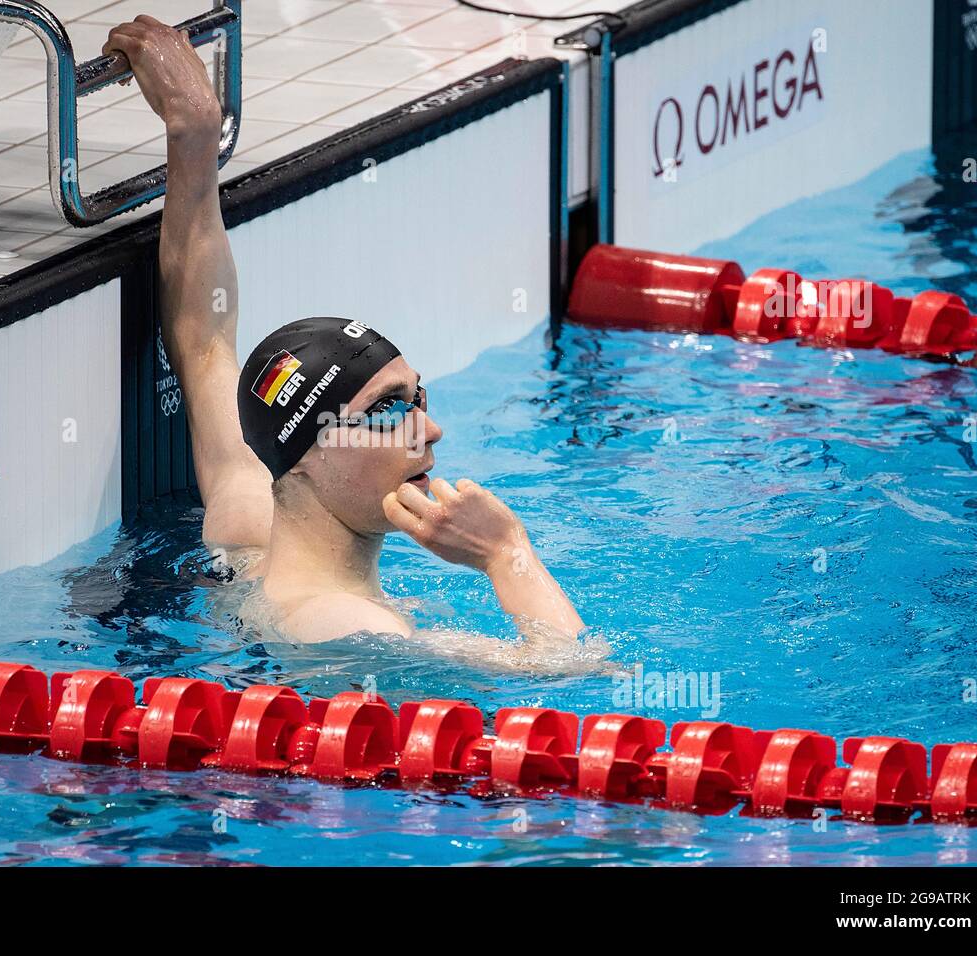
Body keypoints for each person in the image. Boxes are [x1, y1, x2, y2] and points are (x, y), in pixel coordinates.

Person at [103, 17, 604, 671]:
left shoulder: (247, 525)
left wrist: (194, 132)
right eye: (390, 410)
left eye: (417, 398)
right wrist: (508, 553)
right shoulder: (356, 630)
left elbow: (203, 344)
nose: (431, 430)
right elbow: (578, 672)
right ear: (308, 453)